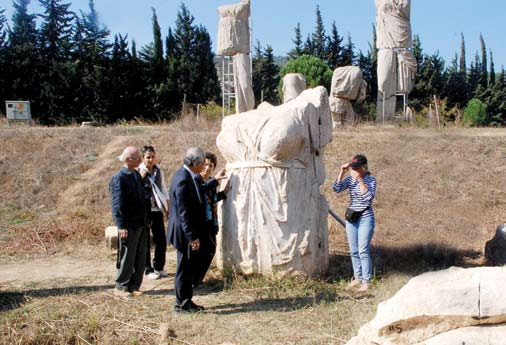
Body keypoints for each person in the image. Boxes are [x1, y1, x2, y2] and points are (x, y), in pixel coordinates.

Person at [167, 147, 226, 312]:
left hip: (186, 231)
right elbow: (183, 213)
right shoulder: (183, 180)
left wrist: (215, 181)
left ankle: (187, 300)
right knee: (184, 269)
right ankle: (181, 305)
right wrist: (192, 236)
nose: (204, 167)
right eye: (202, 164)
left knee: (187, 268)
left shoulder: (187, 176)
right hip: (184, 233)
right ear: (196, 163)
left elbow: (199, 191)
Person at [333, 154, 377, 292]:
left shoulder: (371, 179)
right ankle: (357, 278)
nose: (355, 170)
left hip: (365, 218)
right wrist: (342, 172)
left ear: (364, 168)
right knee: (354, 250)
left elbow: (368, 198)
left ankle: (366, 281)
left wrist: (360, 180)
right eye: (353, 168)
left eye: (357, 168)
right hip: (352, 219)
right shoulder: (350, 179)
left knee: (363, 250)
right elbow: (336, 188)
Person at [109, 146, 148, 298]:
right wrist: (121, 226)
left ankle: (134, 286)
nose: (140, 160)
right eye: (137, 158)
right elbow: (116, 204)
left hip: (140, 223)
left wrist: (146, 219)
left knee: (140, 256)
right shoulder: (119, 178)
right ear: (127, 160)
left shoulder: (136, 175)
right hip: (128, 225)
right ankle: (121, 287)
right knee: (127, 256)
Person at [193, 152, 230, 288]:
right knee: (199, 253)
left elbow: (212, 200)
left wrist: (223, 193)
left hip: (211, 222)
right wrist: (215, 180)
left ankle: (198, 279)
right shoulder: (196, 180)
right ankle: (194, 280)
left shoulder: (211, 183)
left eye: (211, 165)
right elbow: (201, 193)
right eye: (205, 164)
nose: (207, 168)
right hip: (200, 223)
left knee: (210, 250)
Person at [138, 145, 170, 280]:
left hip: (157, 209)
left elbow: (163, 189)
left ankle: (159, 266)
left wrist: (168, 208)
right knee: (145, 240)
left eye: (152, 157)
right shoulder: (138, 171)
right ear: (142, 158)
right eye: (148, 157)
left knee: (161, 239)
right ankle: (147, 269)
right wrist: (142, 174)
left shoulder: (159, 171)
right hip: (145, 210)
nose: (150, 160)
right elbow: (136, 188)